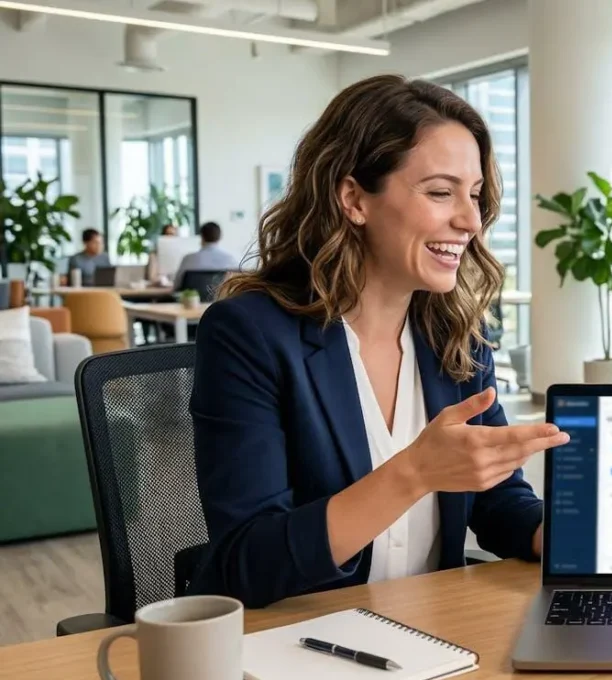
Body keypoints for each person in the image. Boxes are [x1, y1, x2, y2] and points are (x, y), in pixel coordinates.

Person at [187, 74, 569, 609]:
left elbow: (497, 499)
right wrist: (413, 473)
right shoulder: (250, 334)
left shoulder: (456, 336)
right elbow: (245, 562)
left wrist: (567, 539)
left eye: (475, 195)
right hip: (303, 643)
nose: (470, 221)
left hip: (438, 639)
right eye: (440, 192)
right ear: (354, 199)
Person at [173, 221, 240, 290]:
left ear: (202, 236)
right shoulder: (230, 259)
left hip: (192, 299)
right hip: (222, 299)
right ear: (220, 237)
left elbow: (176, 286)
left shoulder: (188, 259)